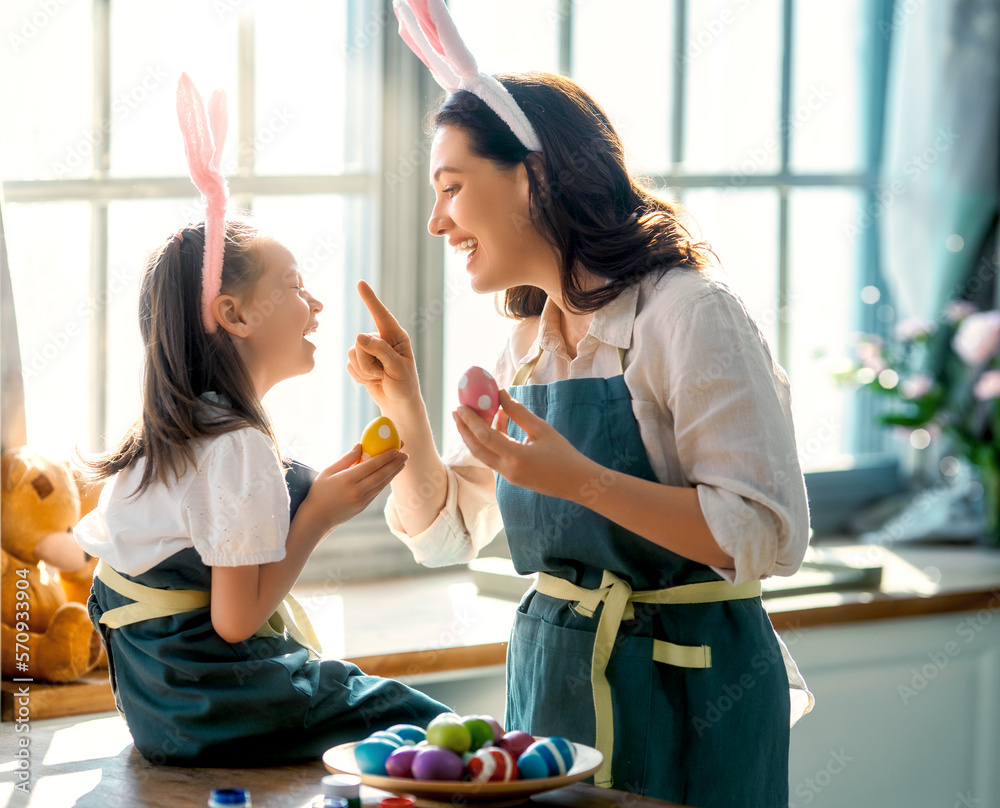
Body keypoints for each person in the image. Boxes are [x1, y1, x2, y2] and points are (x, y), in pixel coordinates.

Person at [347, 4, 812, 805]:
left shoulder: (686, 312)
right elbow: (449, 531)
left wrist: (582, 481)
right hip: (553, 691)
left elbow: (763, 533)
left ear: (532, 177)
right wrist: (407, 410)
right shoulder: (531, 342)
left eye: (452, 188)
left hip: (690, 696)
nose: (435, 221)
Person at [74, 76, 450, 766]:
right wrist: (320, 515)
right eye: (295, 285)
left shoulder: (185, 431)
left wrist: (313, 491)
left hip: (161, 707)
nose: (316, 305)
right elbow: (237, 620)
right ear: (235, 315)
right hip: (212, 697)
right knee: (416, 719)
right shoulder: (238, 445)